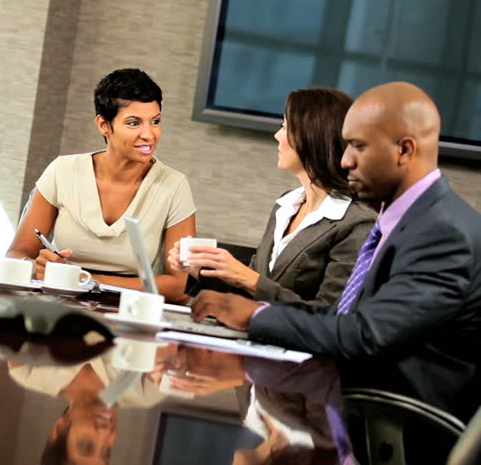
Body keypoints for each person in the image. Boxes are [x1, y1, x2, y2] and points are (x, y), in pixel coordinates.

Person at [191, 82, 481, 421]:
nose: (344, 160)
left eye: (358, 147)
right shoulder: (407, 221)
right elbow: (344, 320)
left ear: (404, 150)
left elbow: (365, 335)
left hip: (394, 429)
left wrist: (256, 315)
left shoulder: (441, 232)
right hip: (344, 403)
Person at [169, 87, 376, 307]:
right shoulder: (287, 205)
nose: (277, 135)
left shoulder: (358, 223)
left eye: (285, 127)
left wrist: (249, 278)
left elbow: (329, 315)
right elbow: (251, 294)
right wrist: (202, 269)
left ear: (312, 136)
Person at [7, 68, 196, 301]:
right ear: (104, 125)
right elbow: (16, 254)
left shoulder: (174, 186)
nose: (149, 134)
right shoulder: (63, 170)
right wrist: (35, 266)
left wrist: (85, 279)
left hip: (130, 312)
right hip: (56, 307)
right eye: (134, 123)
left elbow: (182, 285)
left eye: (155, 121)